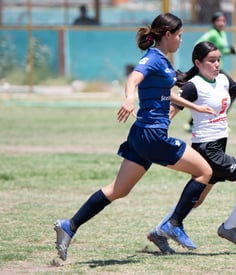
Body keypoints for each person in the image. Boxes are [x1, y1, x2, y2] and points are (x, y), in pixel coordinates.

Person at [54, 13, 216, 261]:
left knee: (118, 190)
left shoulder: (162, 61)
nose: (182, 40)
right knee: (205, 172)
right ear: (168, 35)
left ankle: (69, 226)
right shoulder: (152, 58)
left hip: (140, 135)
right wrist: (130, 97)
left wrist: (194, 106)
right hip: (152, 135)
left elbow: (165, 91)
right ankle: (172, 225)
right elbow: (134, 78)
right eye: (180, 35)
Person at [146, 41, 236, 254]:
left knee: (195, 201)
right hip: (207, 150)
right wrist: (155, 134)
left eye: (218, 59)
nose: (217, 64)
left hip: (218, 149)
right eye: (212, 60)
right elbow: (172, 111)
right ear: (198, 62)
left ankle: (159, 231)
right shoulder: (193, 85)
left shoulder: (223, 80)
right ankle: (229, 228)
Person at [184, 11, 236, 132]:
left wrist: (229, 51)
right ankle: (214, 119)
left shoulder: (222, 33)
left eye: (224, 21)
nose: (222, 23)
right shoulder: (212, 33)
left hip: (218, 69)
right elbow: (198, 44)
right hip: (212, 71)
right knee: (232, 92)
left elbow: (220, 50)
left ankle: (196, 122)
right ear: (214, 22)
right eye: (219, 20)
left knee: (217, 95)